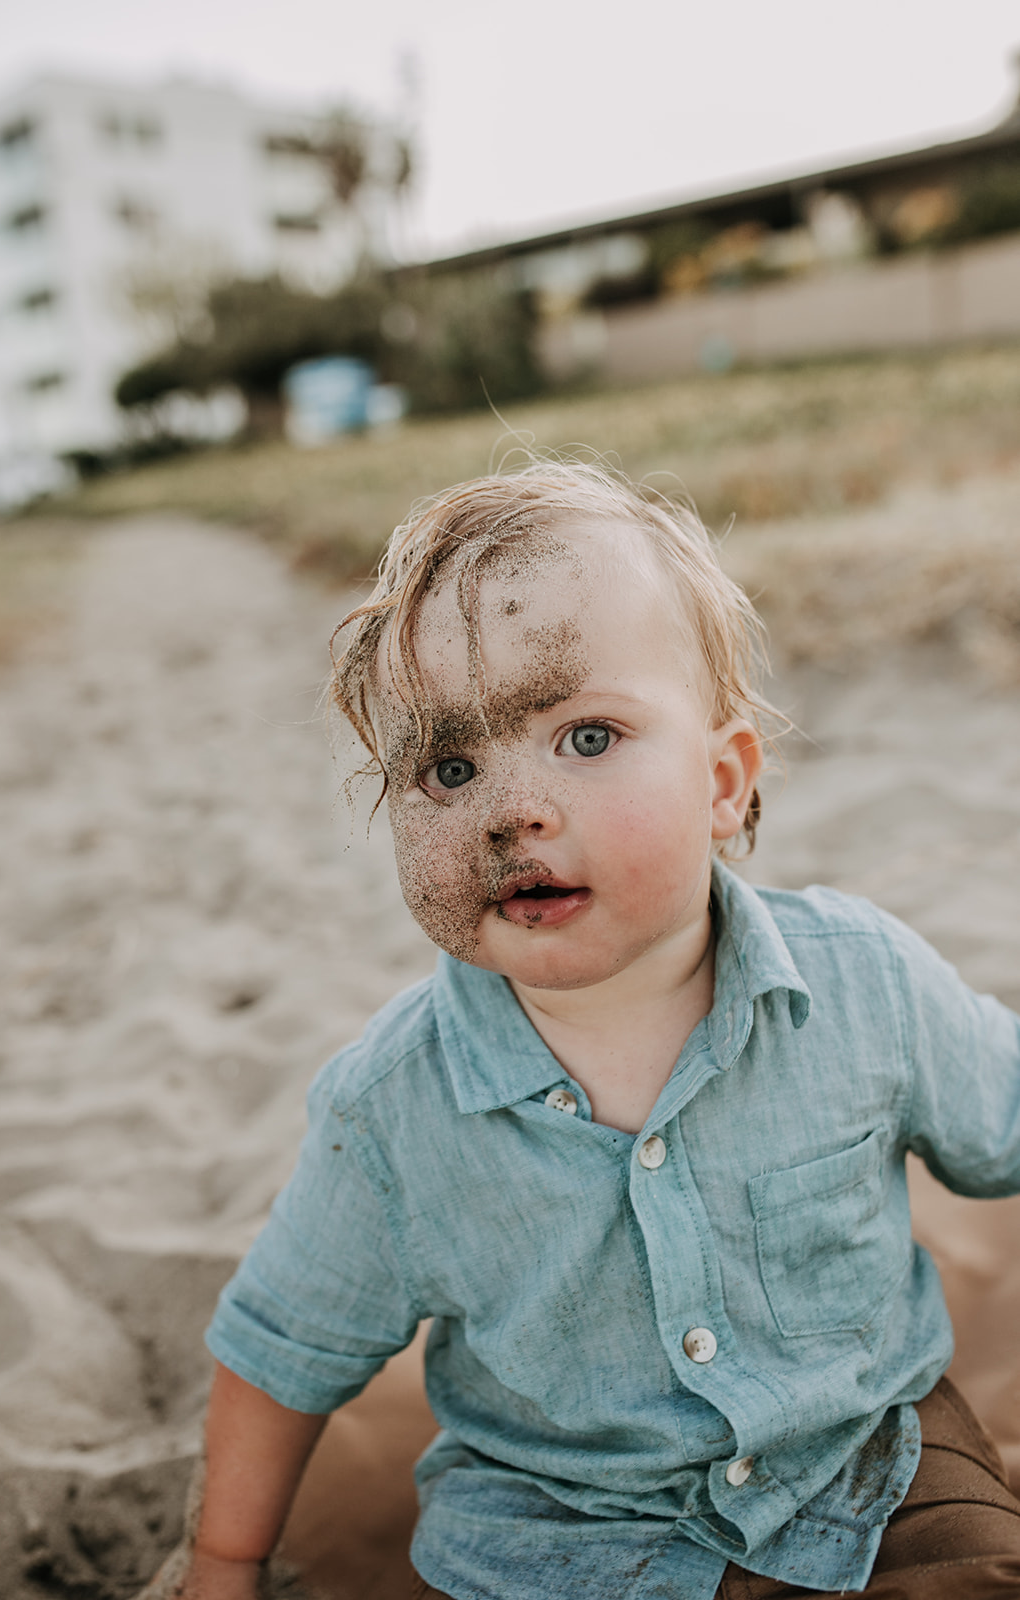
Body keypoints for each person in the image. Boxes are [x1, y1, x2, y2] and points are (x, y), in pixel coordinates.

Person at [161, 462, 1020, 1599]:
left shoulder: (862, 985)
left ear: (722, 782)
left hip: (868, 1472)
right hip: (556, 1537)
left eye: (585, 735)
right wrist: (224, 1559)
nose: (512, 808)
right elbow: (282, 1352)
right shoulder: (391, 1111)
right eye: (449, 766)